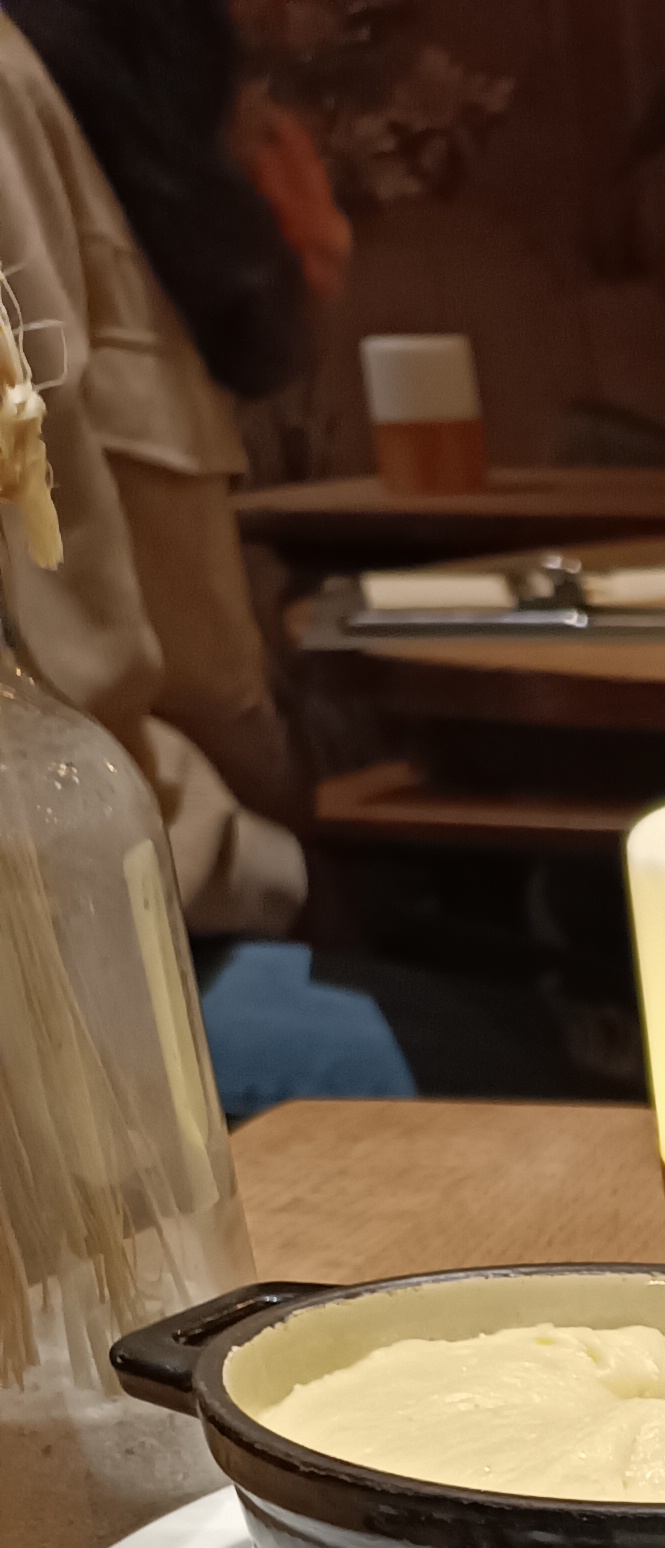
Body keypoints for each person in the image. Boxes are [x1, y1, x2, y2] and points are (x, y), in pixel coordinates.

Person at [0, 0, 329, 933]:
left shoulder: (67, 93)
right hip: (108, 939)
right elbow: (59, 740)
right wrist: (290, 871)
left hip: (167, 884)